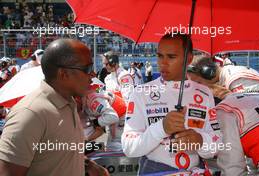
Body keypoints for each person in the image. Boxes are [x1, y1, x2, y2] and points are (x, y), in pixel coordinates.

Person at [0, 39, 108, 176]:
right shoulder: (30, 114)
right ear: (63, 74)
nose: (93, 75)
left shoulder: (69, 103)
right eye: (87, 69)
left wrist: (88, 165)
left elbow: (60, 151)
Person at [121, 33, 221, 175]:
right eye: (160, 56)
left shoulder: (204, 93)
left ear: (189, 59)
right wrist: (161, 128)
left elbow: (217, 144)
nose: (163, 63)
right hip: (155, 171)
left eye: (171, 57)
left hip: (195, 170)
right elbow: (128, 147)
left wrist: (200, 140)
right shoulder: (141, 93)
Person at [83, 78, 127, 151]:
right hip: (115, 119)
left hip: (121, 119)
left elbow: (113, 117)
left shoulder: (94, 101)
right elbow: (100, 129)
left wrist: (95, 123)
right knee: (111, 146)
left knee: (117, 147)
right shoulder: (88, 100)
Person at [187, 56, 259, 93]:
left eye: (198, 82)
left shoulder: (235, 80)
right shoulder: (226, 76)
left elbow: (251, 108)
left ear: (208, 72)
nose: (198, 86)